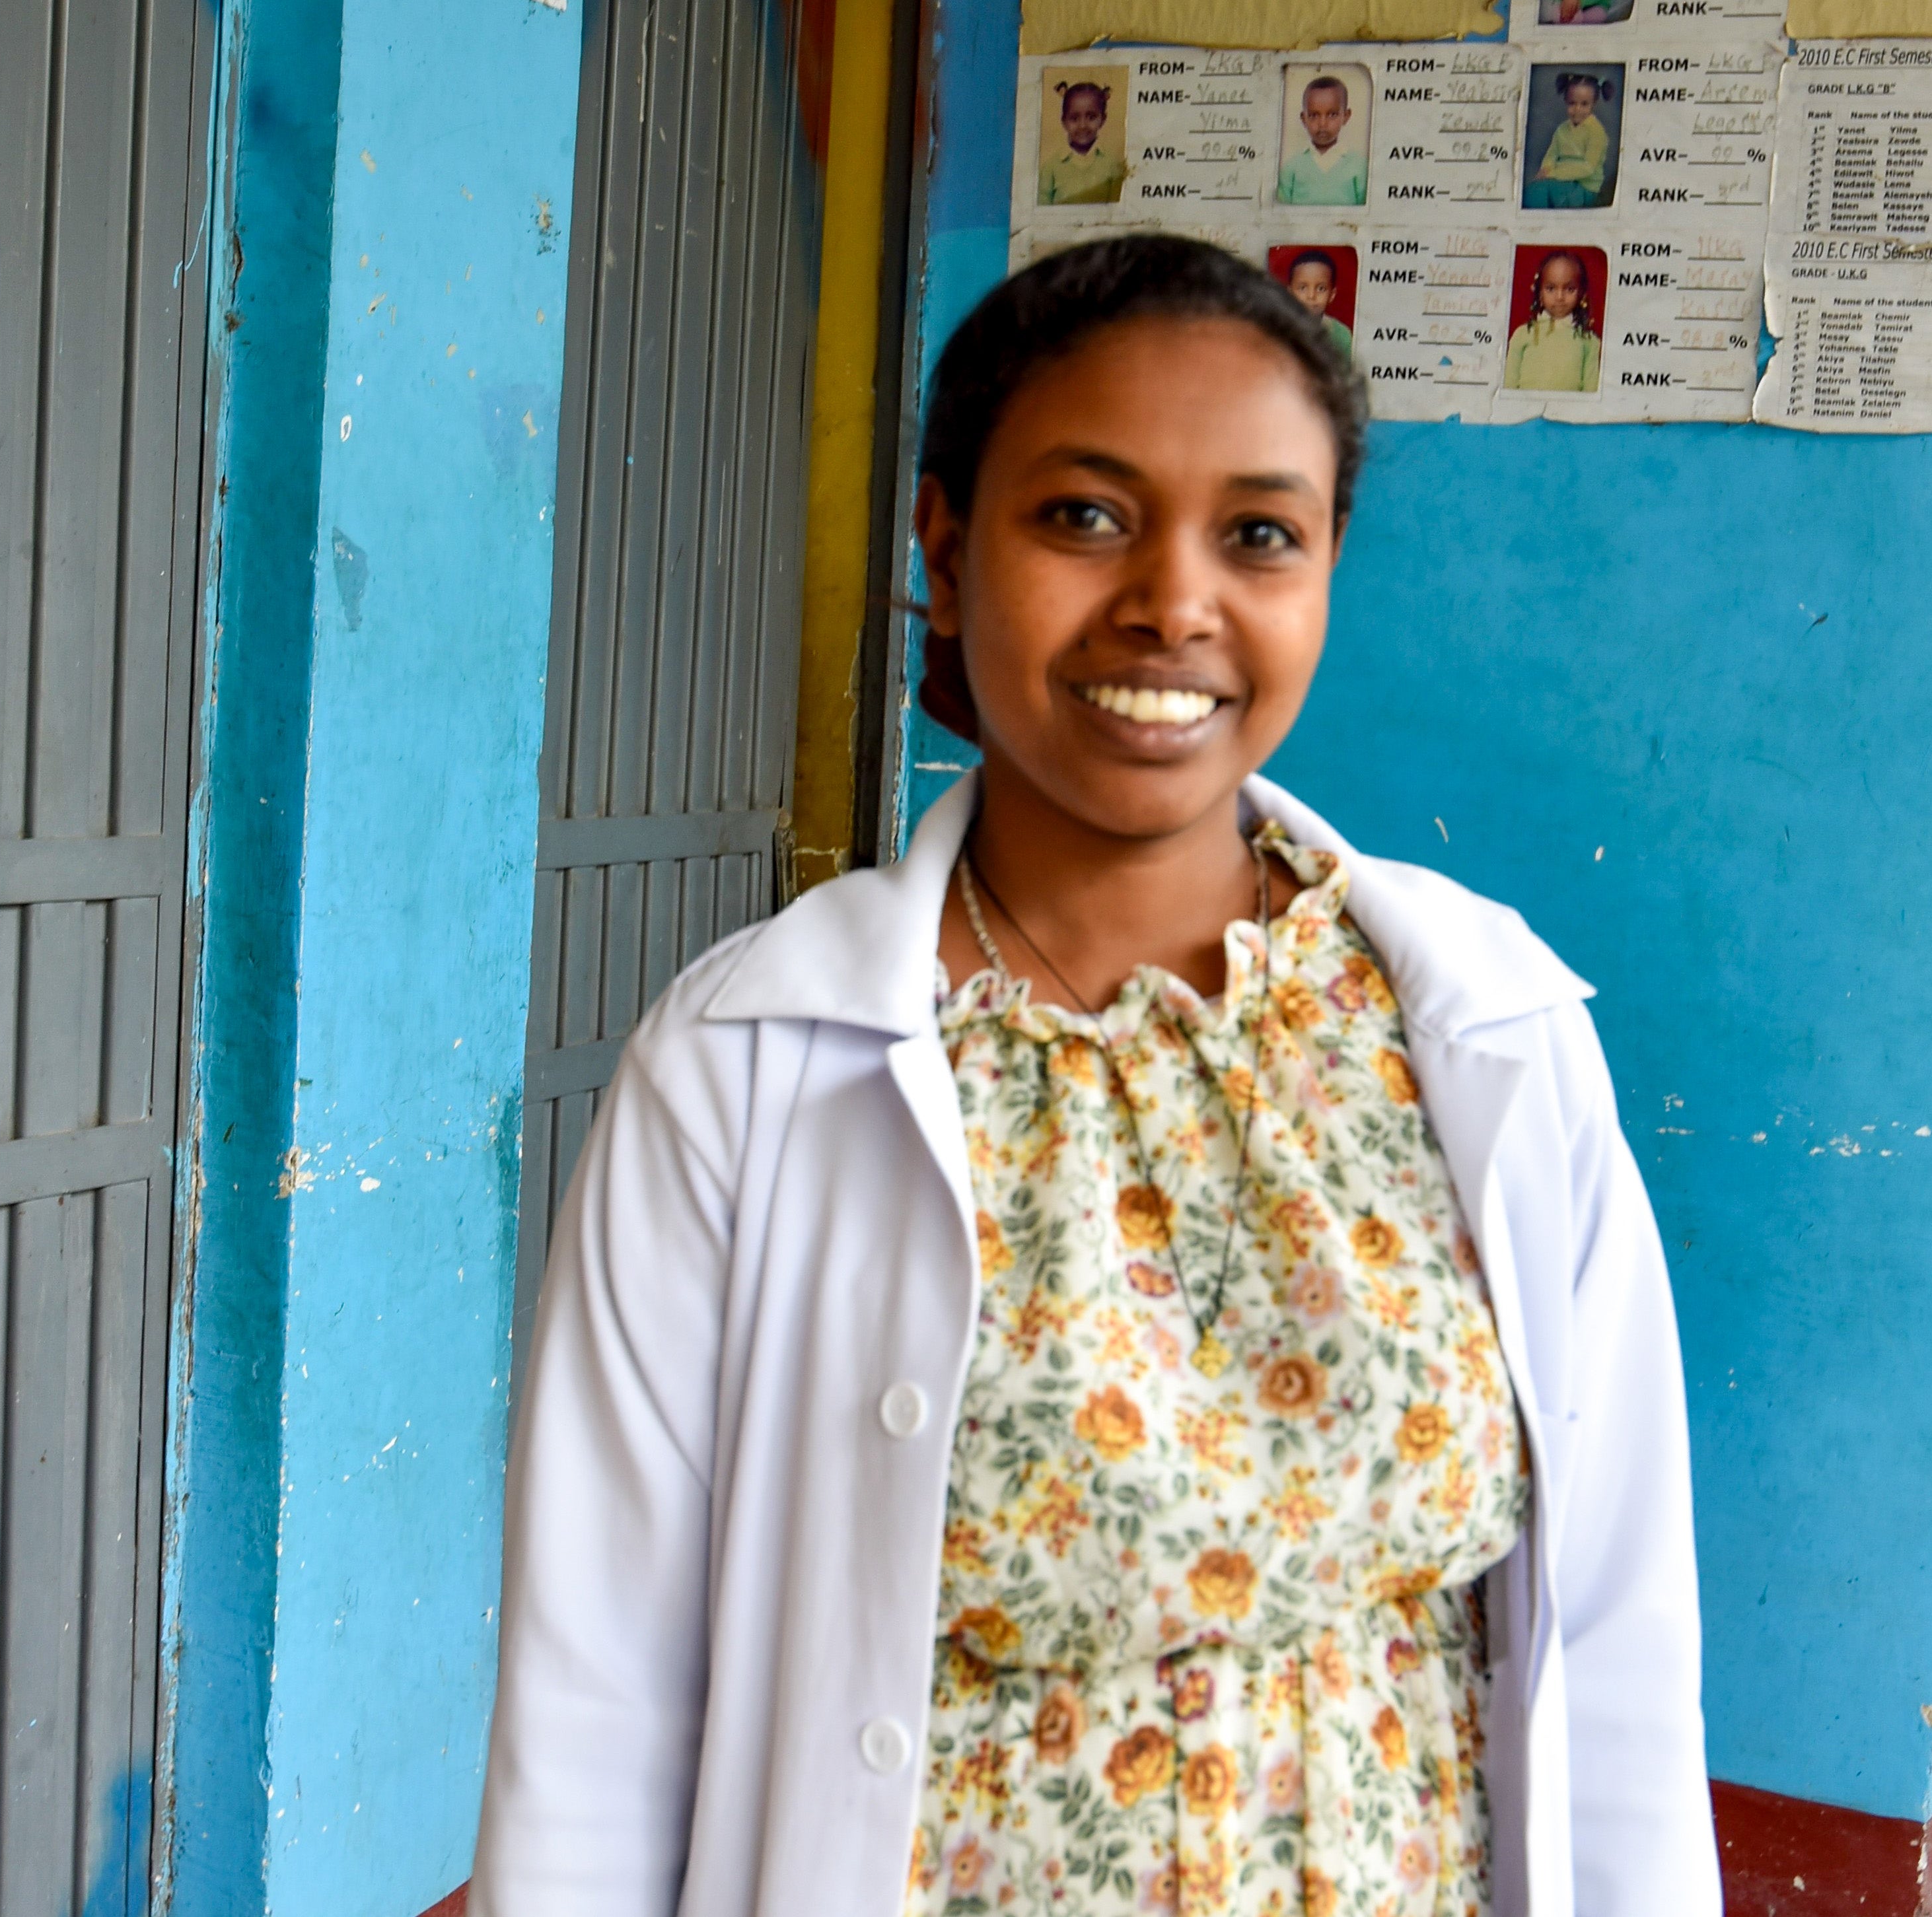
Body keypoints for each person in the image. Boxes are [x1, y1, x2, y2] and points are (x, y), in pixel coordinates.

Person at [468, 234, 1719, 1917]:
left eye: (1259, 534)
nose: (1174, 601)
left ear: (1326, 567)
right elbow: (596, 1688)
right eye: (1085, 514)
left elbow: (1619, 1634)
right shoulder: (745, 1060)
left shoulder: (1486, 1023)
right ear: (943, 545)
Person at [1504, 250, 1602, 391]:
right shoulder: (1522, 334)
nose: (1560, 297)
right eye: (1551, 288)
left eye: (1570, 289)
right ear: (1540, 293)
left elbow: (1591, 390)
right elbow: (1509, 384)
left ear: (1581, 293)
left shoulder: (1589, 340)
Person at [1524, 73, 1612, 209]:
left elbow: (1588, 168)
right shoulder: (1562, 129)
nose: (1577, 110)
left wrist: (1554, 174)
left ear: (1593, 104)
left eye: (1584, 104)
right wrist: (1546, 170)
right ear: (1566, 101)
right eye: (1572, 103)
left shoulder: (1597, 132)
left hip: (1585, 187)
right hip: (1560, 181)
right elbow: (1552, 154)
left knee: (1541, 191)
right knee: (1534, 190)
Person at [1278, 74, 1366, 205]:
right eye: (1314, 116)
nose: (1322, 124)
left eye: (1332, 115)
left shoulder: (1359, 166)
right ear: (1304, 119)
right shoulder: (1292, 167)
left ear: (1346, 116)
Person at [1041, 79, 1124, 205]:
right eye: (1074, 118)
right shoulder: (1051, 168)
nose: (1083, 126)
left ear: (1103, 119)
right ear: (1064, 122)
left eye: (1091, 117)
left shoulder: (1113, 166)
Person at [1283, 248, 1355, 361]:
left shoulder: (1342, 335)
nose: (1311, 296)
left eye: (1321, 289)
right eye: (1303, 288)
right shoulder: (1278, 329)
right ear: (1290, 292)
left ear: (1332, 295)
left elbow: (1345, 375)